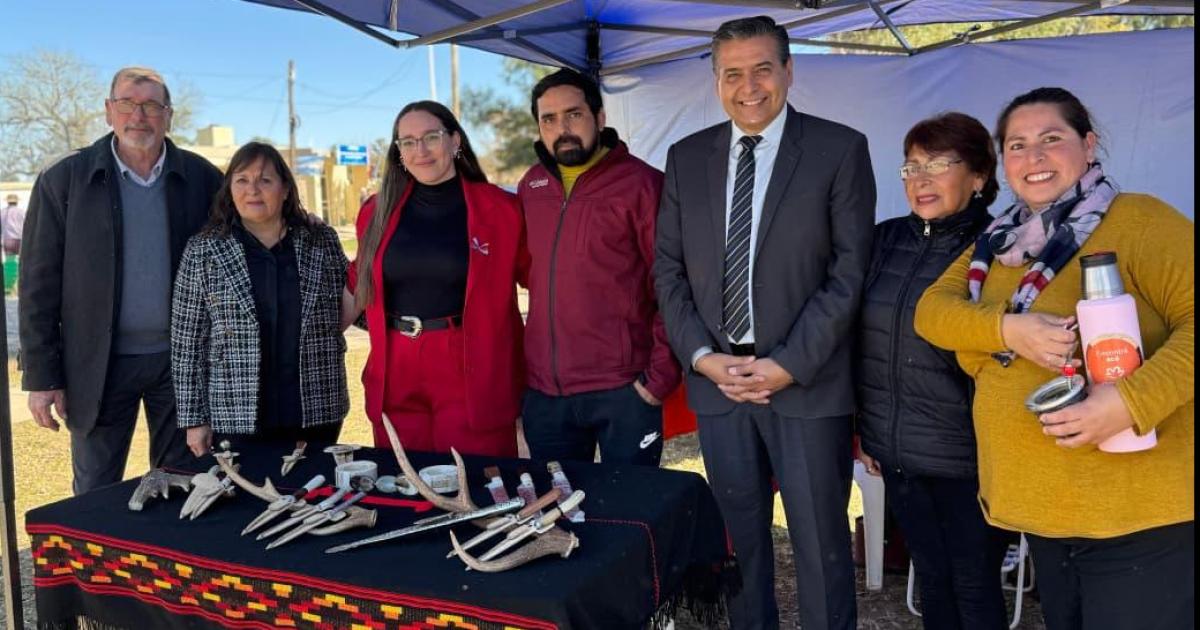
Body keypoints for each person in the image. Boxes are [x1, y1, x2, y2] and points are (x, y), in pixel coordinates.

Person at [915, 87, 1193, 630]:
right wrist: (1008, 328)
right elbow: (932, 313)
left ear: (1088, 146)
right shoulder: (1001, 241)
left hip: (1137, 516)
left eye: (1051, 139)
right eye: (1017, 145)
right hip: (1045, 511)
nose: (1033, 157)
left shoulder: (1138, 220)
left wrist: (1128, 402)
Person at [655, 15, 875, 629]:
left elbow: (849, 272)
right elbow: (668, 272)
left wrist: (787, 364)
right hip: (720, 387)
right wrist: (701, 357)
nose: (747, 86)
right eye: (732, 74)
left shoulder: (839, 149)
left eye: (761, 69)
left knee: (820, 546)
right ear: (716, 81)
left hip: (805, 385)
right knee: (741, 545)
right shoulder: (687, 157)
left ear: (788, 70)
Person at [20, 67, 223, 494]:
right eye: (128, 104)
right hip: (97, 364)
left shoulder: (203, 179)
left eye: (151, 105)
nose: (139, 116)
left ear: (168, 115)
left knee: (185, 484)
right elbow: (38, 283)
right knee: (96, 490)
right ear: (108, 111)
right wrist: (41, 375)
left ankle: (170, 560)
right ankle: (100, 560)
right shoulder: (65, 180)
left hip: (182, 364)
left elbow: (243, 236)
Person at [855, 112, 1007, 630]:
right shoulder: (882, 240)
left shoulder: (1003, 247)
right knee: (933, 577)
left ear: (980, 176)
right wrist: (866, 431)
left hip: (969, 458)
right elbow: (858, 338)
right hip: (896, 450)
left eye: (939, 164)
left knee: (974, 581)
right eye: (911, 166)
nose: (920, 179)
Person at [517, 68, 681, 466]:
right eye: (549, 119)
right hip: (546, 393)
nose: (563, 128)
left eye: (573, 114)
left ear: (600, 117)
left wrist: (656, 381)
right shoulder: (531, 186)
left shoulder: (644, 185)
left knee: (626, 516)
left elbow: (674, 285)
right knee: (557, 517)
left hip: (622, 390)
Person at [345, 101, 525, 457]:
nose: (420, 150)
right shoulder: (375, 212)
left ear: (455, 140)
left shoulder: (502, 210)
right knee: (403, 482)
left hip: (470, 365)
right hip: (396, 366)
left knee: (473, 483)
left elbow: (548, 283)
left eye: (431, 137)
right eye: (408, 142)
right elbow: (356, 286)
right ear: (398, 152)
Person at [172, 142, 349, 454]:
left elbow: (353, 304)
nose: (252, 189)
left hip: (316, 410)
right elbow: (187, 343)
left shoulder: (321, 242)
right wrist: (193, 420)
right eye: (242, 180)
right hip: (235, 415)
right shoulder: (203, 250)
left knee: (313, 497)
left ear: (285, 190)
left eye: (265, 180)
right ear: (229, 189)